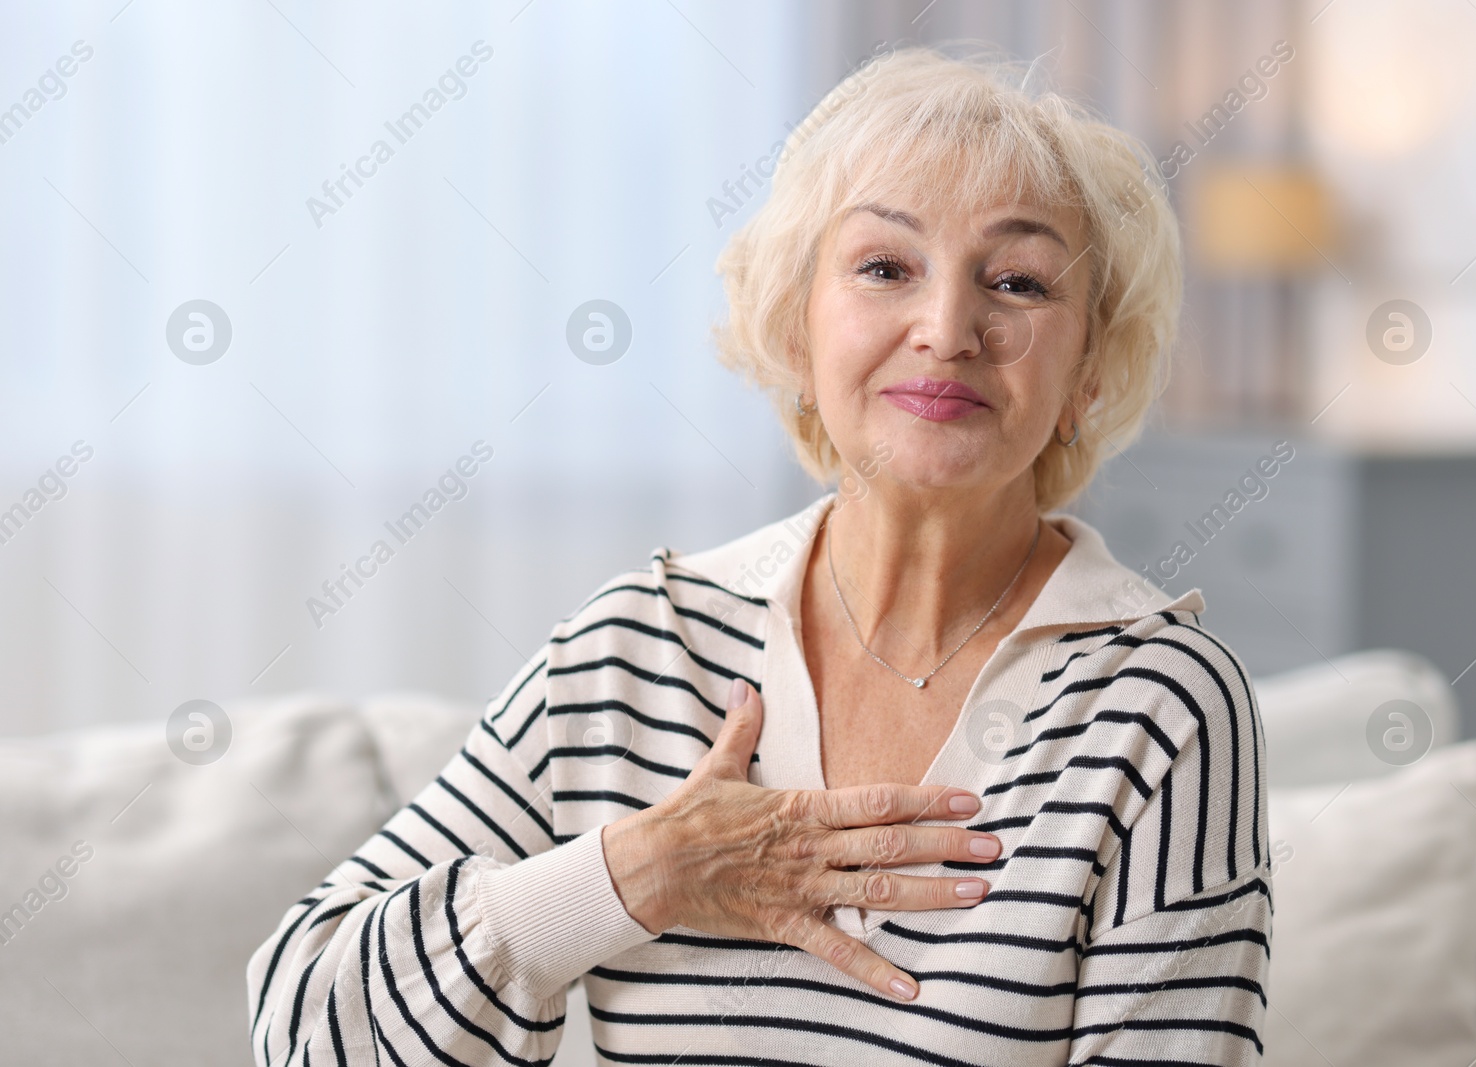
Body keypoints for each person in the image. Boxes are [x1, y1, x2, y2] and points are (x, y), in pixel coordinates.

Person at [248, 44, 1270, 1067]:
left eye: (1016, 281)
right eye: (884, 267)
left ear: (1090, 365)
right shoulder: (637, 647)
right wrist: (636, 874)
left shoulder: (1159, 704)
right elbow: (302, 1021)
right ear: (795, 319)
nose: (946, 328)